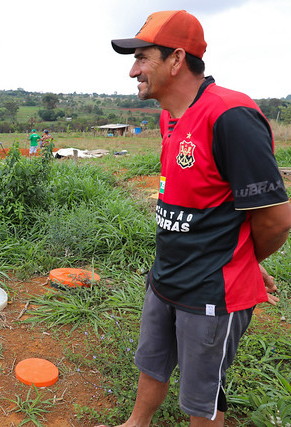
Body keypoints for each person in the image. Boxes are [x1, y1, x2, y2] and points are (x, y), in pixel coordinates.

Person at [108, 10, 291, 426]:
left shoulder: (230, 115)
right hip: (166, 276)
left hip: (211, 291)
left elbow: (277, 219)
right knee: (151, 361)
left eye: (143, 58)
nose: (133, 69)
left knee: (202, 395)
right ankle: (135, 424)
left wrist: (244, 262)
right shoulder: (169, 117)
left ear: (176, 59)